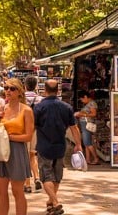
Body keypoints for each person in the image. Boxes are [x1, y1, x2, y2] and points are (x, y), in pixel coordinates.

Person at [33, 76, 81, 215]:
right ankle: (51, 202)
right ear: (58, 90)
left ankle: (54, 201)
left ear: (44, 90)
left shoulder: (39, 107)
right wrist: (78, 144)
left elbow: (32, 127)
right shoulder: (66, 107)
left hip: (44, 147)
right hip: (60, 146)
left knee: (46, 176)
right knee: (57, 175)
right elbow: (74, 128)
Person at [0, 78, 35, 215]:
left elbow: (28, 136)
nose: (8, 91)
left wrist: (8, 137)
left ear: (20, 92)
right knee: (1, 191)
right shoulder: (2, 109)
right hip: (1, 151)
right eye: (6, 88)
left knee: (17, 191)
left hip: (17, 151)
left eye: (12, 88)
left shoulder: (26, 110)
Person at [74, 91, 99, 165]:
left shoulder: (92, 103)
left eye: (82, 99)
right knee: (86, 143)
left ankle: (96, 158)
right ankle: (87, 159)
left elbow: (94, 114)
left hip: (86, 124)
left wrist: (82, 114)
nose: (82, 101)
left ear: (85, 97)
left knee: (87, 142)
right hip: (84, 124)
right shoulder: (88, 104)